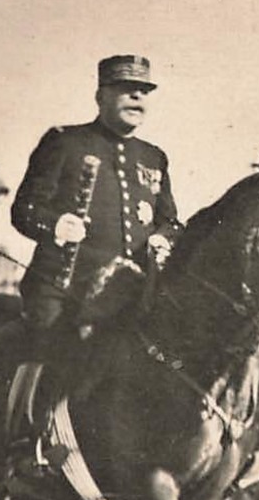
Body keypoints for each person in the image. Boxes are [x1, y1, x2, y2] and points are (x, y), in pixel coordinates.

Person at [10, 55, 182, 361]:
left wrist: (162, 238)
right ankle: (25, 410)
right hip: (65, 289)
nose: (137, 95)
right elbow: (25, 209)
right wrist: (56, 224)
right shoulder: (65, 142)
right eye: (125, 87)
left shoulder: (154, 157)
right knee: (46, 354)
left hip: (132, 294)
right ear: (101, 95)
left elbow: (170, 222)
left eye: (143, 90)